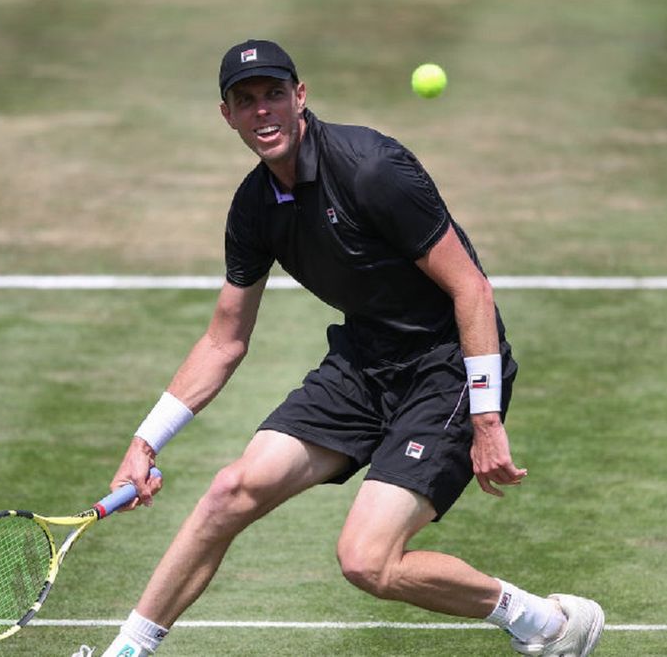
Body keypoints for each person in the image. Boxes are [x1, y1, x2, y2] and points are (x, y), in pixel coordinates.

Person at [81, 39, 604, 657]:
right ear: (227, 116)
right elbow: (224, 340)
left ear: (300, 96)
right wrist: (145, 442)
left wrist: (485, 418)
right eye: (245, 101)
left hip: (446, 367)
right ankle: (127, 650)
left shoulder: (370, 169)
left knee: (366, 560)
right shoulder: (254, 207)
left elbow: (472, 288)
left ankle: (547, 623)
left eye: (274, 93)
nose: (262, 112)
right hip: (362, 363)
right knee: (229, 492)